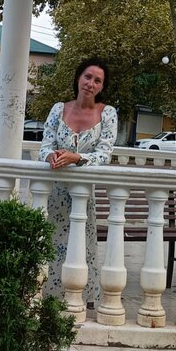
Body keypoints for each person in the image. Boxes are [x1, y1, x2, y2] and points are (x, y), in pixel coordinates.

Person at [39, 57, 118, 307]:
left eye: (97, 80)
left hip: (83, 195)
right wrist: (51, 156)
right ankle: (48, 297)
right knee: (51, 242)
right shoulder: (58, 109)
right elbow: (44, 146)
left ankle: (78, 298)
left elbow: (104, 154)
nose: (91, 83)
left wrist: (77, 158)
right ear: (78, 78)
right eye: (88, 77)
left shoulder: (107, 113)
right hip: (55, 193)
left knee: (80, 245)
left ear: (102, 87)